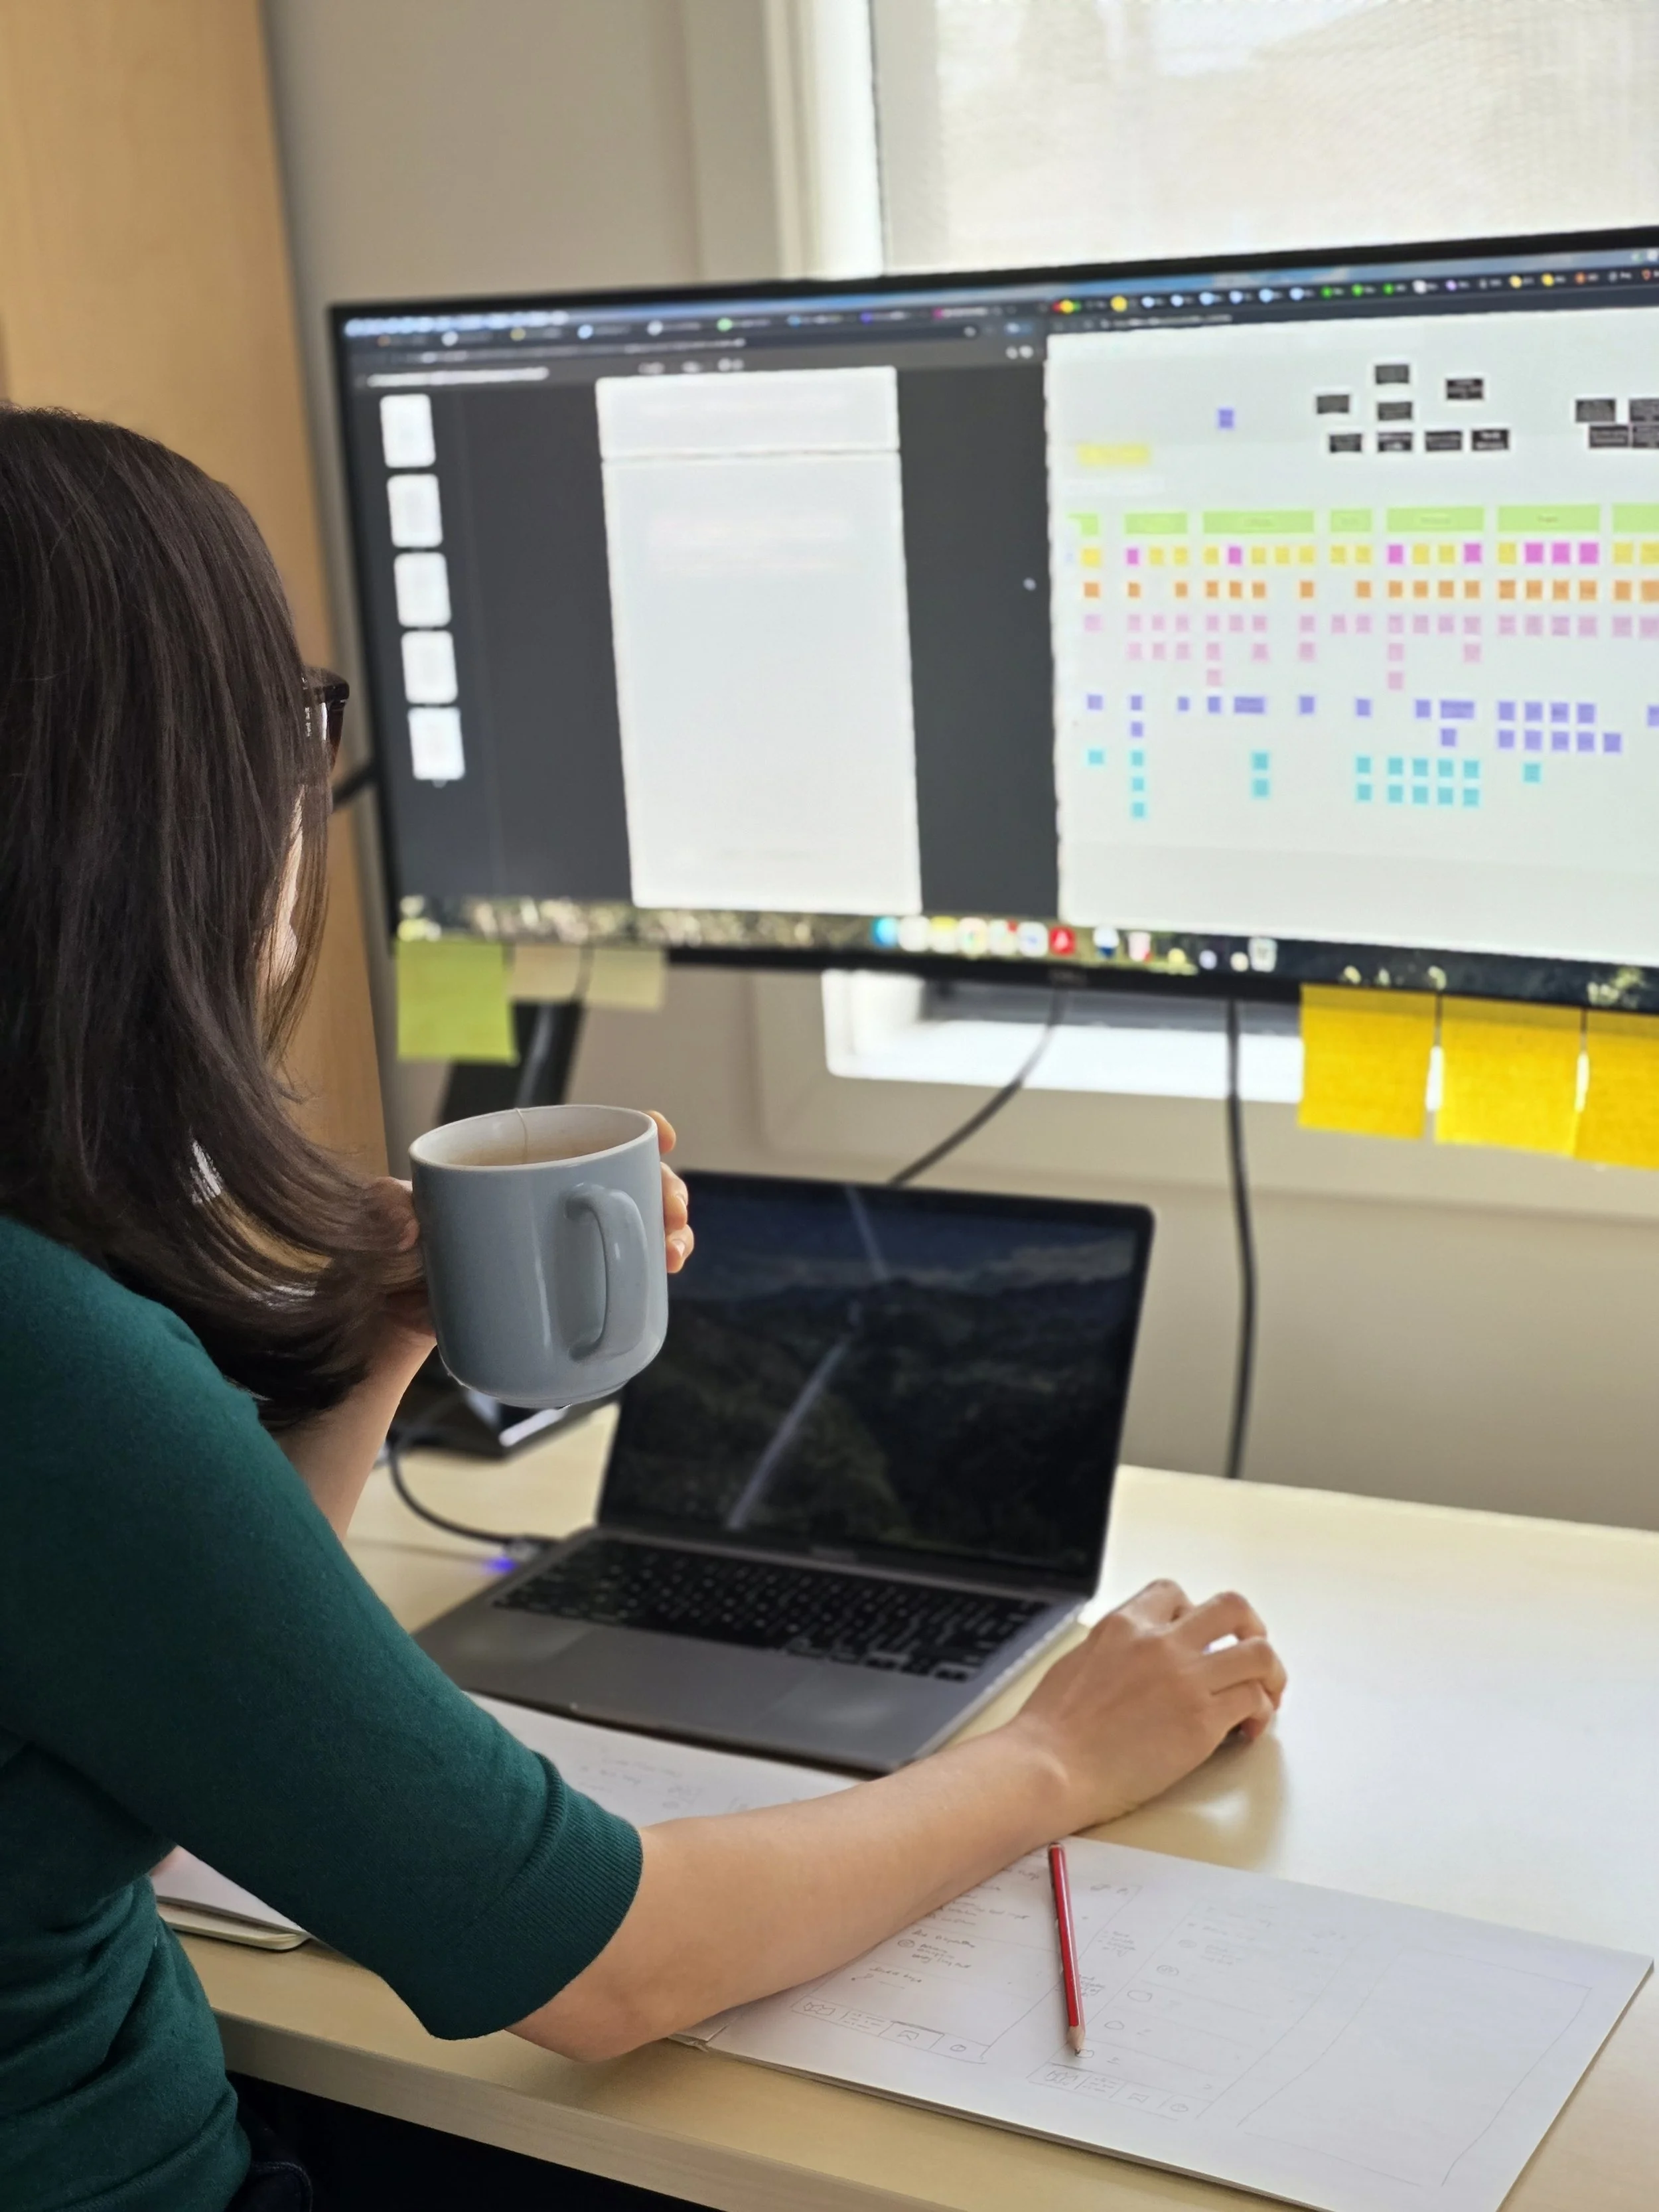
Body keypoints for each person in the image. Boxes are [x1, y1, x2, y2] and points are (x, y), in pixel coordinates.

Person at [0, 406, 1287, 2212]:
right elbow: (602, 1967)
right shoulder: (53, 1368)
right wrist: (1057, 1754)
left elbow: (163, 1664)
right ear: (159, 824)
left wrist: (376, 1350)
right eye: (286, 734)